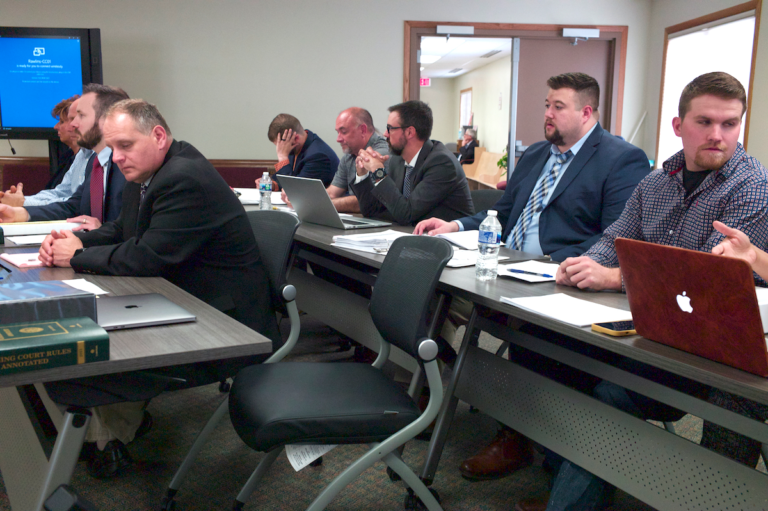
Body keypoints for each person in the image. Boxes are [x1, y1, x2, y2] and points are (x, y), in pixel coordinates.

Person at [546, 71, 768, 511]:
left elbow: (697, 279)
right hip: (660, 333)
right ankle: (564, 485)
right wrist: (587, 263)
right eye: (705, 122)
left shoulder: (751, 186)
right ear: (678, 125)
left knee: (617, 390)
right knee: (567, 361)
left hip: (721, 352)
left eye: (730, 124)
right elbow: (617, 237)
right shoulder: (658, 180)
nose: (718, 135)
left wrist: (615, 278)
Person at [413, 72, 650, 484]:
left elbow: (615, 234)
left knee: (529, 328)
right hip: (506, 266)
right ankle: (445, 393)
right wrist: (455, 225)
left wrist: (555, 264)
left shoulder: (620, 158)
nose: (548, 114)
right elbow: (503, 213)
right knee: (428, 291)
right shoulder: (538, 154)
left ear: (587, 112)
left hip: (559, 276)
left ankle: (519, 434)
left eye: (558, 106)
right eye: (546, 105)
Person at [39, 99, 280, 478]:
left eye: (125, 145)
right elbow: (123, 230)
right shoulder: (149, 171)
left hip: (225, 323)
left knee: (76, 359)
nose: (117, 157)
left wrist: (78, 256)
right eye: (112, 147)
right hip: (184, 299)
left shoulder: (184, 178)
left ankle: (106, 434)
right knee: (72, 338)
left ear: (158, 136)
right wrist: (77, 241)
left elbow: (147, 257)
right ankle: (107, 429)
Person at [0, 84, 129, 231]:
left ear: (107, 119)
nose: (73, 124)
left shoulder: (126, 165)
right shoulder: (95, 162)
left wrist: (98, 234)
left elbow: (128, 230)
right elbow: (73, 206)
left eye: (81, 116)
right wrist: (21, 213)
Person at [353, 100, 474, 225]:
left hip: (446, 236)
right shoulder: (398, 159)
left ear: (410, 132)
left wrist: (379, 173)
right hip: (413, 233)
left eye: (390, 128)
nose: (385, 134)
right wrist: (362, 174)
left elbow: (407, 214)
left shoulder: (442, 163)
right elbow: (372, 210)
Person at [0, 97, 95, 208]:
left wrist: (22, 203)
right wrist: (20, 200)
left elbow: (77, 203)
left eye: (63, 121)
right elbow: (60, 192)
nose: (55, 127)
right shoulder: (80, 155)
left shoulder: (100, 158)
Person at [327, 107, 388, 213]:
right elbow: (332, 193)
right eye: (338, 132)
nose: (338, 139)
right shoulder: (349, 155)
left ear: (362, 130)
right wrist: (307, 201)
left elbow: (367, 201)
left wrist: (324, 204)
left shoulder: (379, 154)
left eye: (344, 132)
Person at [268, 113, 339, 188]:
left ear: (295, 138)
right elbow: (286, 178)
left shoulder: (318, 156)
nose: (280, 149)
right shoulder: (294, 147)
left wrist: (282, 157)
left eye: (281, 146)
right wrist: (273, 185)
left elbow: (295, 188)